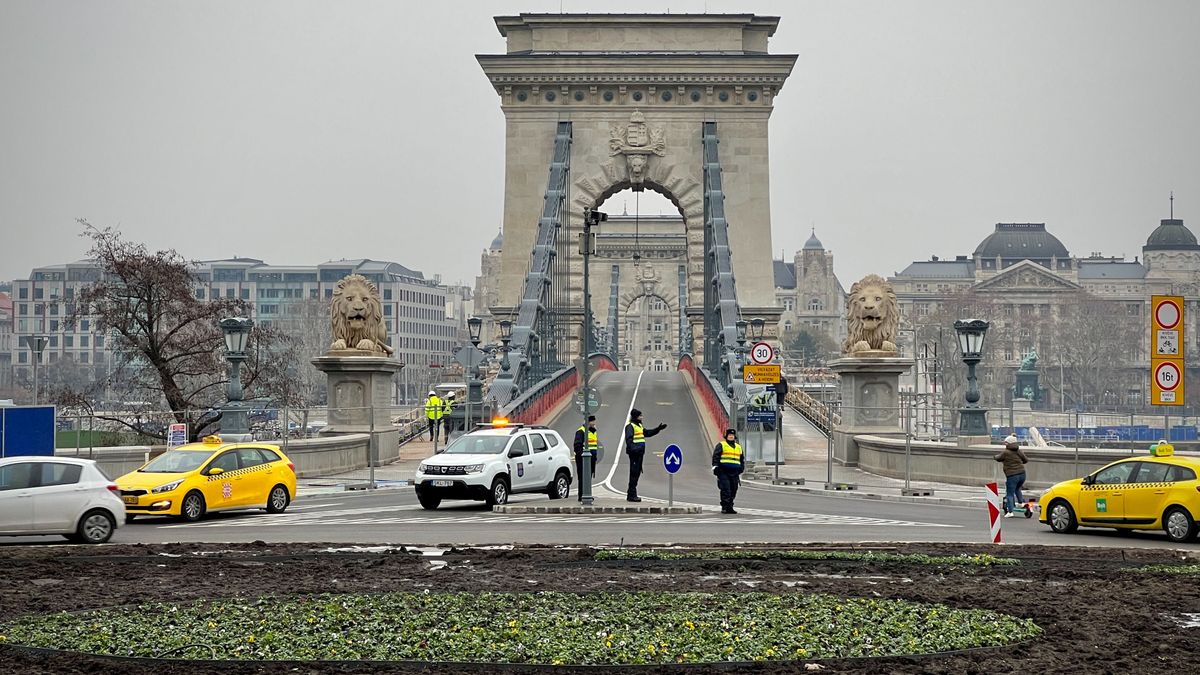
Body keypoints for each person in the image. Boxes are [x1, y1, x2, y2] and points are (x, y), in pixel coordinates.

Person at [623, 408, 666, 502]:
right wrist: (636, 449)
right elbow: (629, 441)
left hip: (639, 453)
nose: (642, 417)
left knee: (637, 473)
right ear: (636, 417)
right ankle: (631, 495)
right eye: (640, 415)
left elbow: (647, 433)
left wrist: (658, 429)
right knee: (634, 473)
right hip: (635, 454)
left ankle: (631, 494)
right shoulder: (630, 426)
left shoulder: (639, 426)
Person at [994, 434, 1030, 517]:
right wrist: (1019, 463)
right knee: (1018, 488)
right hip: (1022, 474)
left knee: (1010, 493)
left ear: (1009, 443)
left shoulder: (1006, 452)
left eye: (1006, 443)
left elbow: (998, 458)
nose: (1005, 444)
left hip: (1012, 475)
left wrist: (994, 457)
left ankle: (1010, 512)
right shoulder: (1018, 451)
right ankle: (1021, 503)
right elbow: (1026, 460)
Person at [711, 428, 745, 514]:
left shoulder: (738, 447)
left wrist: (741, 468)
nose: (731, 436)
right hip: (723, 471)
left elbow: (741, 459)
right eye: (729, 435)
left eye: (732, 435)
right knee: (726, 490)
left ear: (734, 437)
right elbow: (716, 457)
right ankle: (725, 507)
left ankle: (730, 506)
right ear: (726, 436)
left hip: (735, 472)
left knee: (734, 489)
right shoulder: (721, 445)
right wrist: (716, 467)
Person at [573, 415, 599, 502]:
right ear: (588, 422)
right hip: (583, 459)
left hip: (591, 459)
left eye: (594, 421)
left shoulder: (593, 431)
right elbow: (577, 446)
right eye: (592, 421)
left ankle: (587, 494)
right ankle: (581, 496)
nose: (594, 423)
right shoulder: (581, 431)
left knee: (588, 477)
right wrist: (582, 456)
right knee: (582, 477)